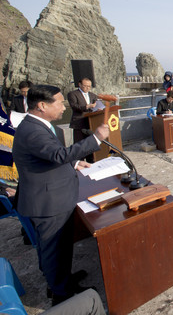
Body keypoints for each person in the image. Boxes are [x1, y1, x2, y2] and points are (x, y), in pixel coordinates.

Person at [13, 84, 109, 305]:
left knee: (61, 247)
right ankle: (61, 296)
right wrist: (95, 139)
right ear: (42, 105)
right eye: (59, 102)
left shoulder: (38, 125)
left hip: (54, 197)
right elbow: (57, 155)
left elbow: (46, 156)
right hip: (47, 203)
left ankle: (63, 281)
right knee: (53, 250)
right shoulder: (32, 130)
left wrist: (74, 162)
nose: (63, 106)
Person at [67, 78, 98, 145]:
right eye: (85, 86)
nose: (87, 88)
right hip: (79, 122)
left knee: (90, 143)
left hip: (91, 122)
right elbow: (74, 106)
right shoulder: (72, 94)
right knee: (79, 143)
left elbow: (96, 105)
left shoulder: (93, 95)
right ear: (80, 84)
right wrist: (86, 107)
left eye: (89, 86)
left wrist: (98, 108)